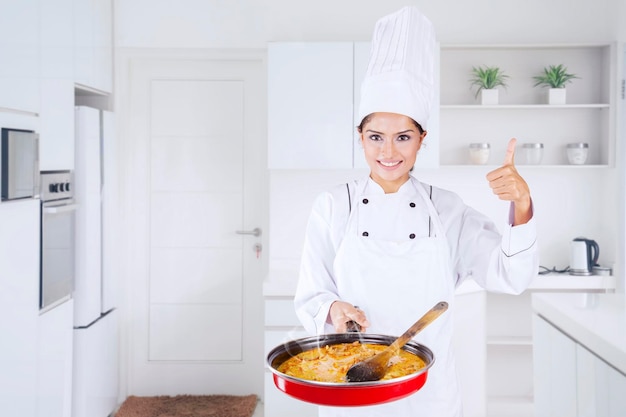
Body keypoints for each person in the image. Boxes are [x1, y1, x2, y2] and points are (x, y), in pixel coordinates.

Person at [293, 6, 539, 417]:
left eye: (403, 137)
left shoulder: (447, 210)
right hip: (351, 388)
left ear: (422, 139)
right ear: (360, 138)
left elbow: (510, 276)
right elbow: (312, 295)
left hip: (429, 396)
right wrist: (334, 310)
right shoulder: (333, 205)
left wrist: (522, 203)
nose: (388, 152)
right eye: (376, 137)